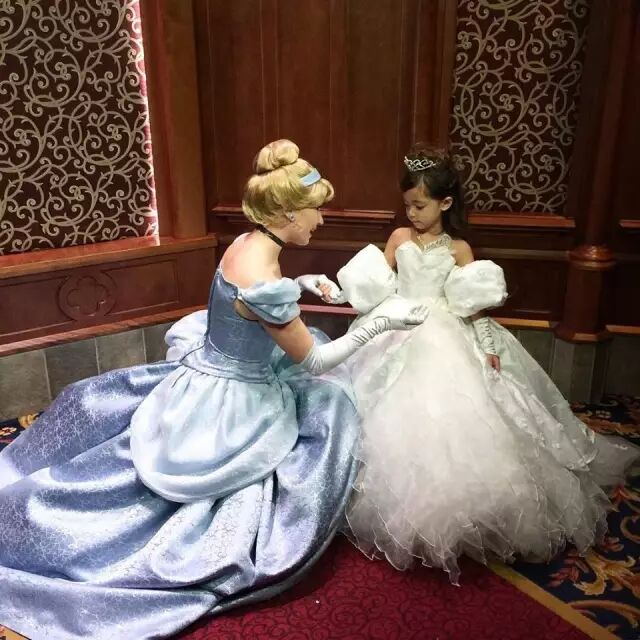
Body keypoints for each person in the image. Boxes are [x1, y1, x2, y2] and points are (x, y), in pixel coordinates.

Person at [0, 139, 426, 640]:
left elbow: (243, 306)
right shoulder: (265, 278)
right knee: (329, 405)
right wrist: (379, 323)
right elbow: (313, 360)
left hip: (205, 371)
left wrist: (303, 281)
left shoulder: (246, 243)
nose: (321, 220)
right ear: (289, 213)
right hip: (234, 399)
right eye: (315, 210)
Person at [334, 145, 640, 584]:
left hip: (443, 329)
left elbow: (472, 306)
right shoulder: (399, 238)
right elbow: (375, 287)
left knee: (459, 412)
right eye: (407, 205)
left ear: (445, 203)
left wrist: (487, 343)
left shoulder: (459, 248)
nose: (412, 214)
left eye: (420, 205)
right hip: (396, 321)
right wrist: (345, 295)